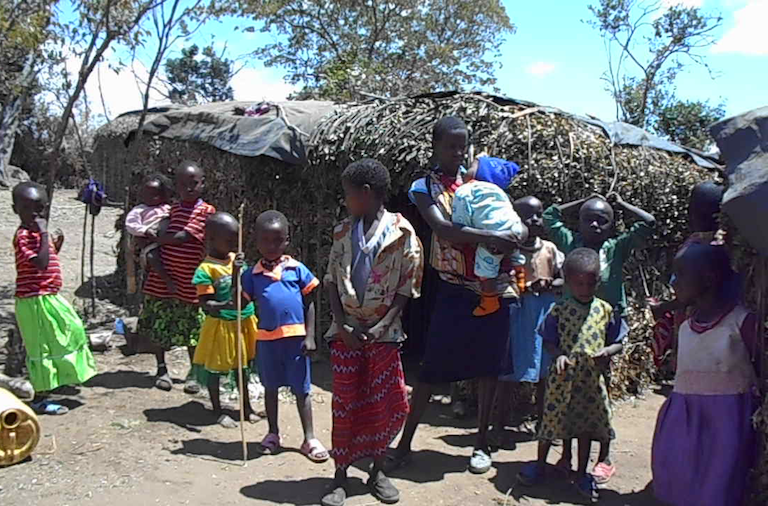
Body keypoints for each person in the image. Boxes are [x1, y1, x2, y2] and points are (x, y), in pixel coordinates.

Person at [386, 116, 524, 475]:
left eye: (462, 146)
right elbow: (444, 229)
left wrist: (513, 235)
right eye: (450, 146)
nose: (457, 153)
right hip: (452, 288)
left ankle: (481, 444)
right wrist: (494, 237)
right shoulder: (423, 187)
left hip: (490, 288)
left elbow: (507, 215)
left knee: (489, 369)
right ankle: (404, 444)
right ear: (434, 146)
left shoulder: (481, 181)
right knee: (431, 370)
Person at [320, 159, 423, 506]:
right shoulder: (341, 233)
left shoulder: (403, 234)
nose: (346, 201)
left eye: (348, 195)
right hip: (346, 333)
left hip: (385, 334)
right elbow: (332, 281)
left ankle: (378, 470)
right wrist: (342, 323)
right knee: (345, 403)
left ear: (365, 194)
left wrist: (382, 325)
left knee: (381, 403)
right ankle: (341, 473)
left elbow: (408, 286)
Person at [542, 191, 655, 483]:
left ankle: (604, 455)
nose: (594, 225)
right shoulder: (571, 243)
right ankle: (566, 455)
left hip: (603, 329)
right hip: (570, 329)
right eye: (588, 219)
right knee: (569, 395)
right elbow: (549, 216)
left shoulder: (616, 247)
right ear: (578, 222)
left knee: (600, 394)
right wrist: (582, 202)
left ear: (612, 225)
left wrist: (620, 204)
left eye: (602, 221)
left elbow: (649, 223)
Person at [652, 242, 758, 506]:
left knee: (717, 486)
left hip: (727, 424)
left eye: (681, 274)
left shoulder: (741, 322)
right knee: (680, 479)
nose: (674, 282)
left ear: (708, 279)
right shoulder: (687, 327)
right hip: (684, 418)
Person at [517, 248, 626, 502]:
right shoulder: (559, 309)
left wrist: (607, 351)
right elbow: (548, 340)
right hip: (562, 381)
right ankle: (540, 464)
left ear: (598, 282)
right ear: (567, 282)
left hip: (590, 383)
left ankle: (581, 473)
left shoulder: (605, 310)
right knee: (550, 424)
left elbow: (618, 340)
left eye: (590, 283)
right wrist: (560, 356)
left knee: (585, 428)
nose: (585, 289)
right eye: (579, 284)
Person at [240, 210, 329, 462]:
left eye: (277, 240)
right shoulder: (251, 275)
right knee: (270, 388)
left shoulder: (296, 269)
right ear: (256, 241)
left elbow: (310, 301)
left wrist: (311, 336)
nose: (271, 246)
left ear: (287, 241)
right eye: (265, 241)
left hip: (296, 341)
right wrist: (236, 275)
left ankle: (309, 437)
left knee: (302, 389)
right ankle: (272, 434)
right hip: (267, 342)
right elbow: (239, 304)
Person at [12, 182, 97, 415]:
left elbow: (44, 260)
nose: (36, 214)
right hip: (34, 300)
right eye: (28, 208)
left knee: (72, 330)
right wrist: (44, 233)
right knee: (42, 349)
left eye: (40, 208)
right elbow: (40, 263)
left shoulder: (37, 234)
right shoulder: (24, 235)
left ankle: (63, 377)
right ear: (15, 209)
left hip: (48, 296)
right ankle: (40, 400)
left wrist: (52, 246)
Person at [139, 161, 216, 393]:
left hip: (190, 280)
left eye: (193, 184)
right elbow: (160, 229)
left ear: (203, 184)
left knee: (192, 328)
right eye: (183, 184)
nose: (188, 189)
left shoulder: (206, 212)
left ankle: (194, 373)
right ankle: (162, 369)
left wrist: (156, 240)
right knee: (159, 325)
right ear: (176, 186)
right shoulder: (172, 209)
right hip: (162, 277)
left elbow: (184, 237)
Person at [494, 196, 563, 447]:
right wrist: (520, 286)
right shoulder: (508, 250)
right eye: (527, 216)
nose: (534, 220)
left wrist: (548, 284)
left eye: (538, 214)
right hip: (517, 317)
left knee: (546, 374)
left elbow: (564, 279)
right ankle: (499, 426)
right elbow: (500, 280)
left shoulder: (550, 249)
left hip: (544, 317)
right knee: (510, 374)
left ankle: (545, 425)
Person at [191, 212, 260, 428]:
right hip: (221, 325)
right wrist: (225, 306)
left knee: (243, 367)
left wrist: (241, 272)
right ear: (211, 239)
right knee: (217, 368)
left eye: (235, 239)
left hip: (244, 322)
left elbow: (246, 288)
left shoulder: (236, 261)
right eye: (229, 240)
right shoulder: (206, 269)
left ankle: (246, 407)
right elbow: (206, 304)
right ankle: (217, 410)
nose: (233, 245)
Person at [649, 181, 725, 374]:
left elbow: (692, 294)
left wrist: (664, 307)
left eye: (693, 210)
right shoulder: (727, 243)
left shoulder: (705, 246)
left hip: (698, 322)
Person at [452, 155, 526, 316]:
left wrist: (462, 233)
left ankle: (489, 301)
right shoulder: (500, 192)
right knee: (514, 252)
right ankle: (520, 275)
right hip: (515, 228)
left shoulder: (466, 190)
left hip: (495, 236)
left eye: (471, 166)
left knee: (486, 270)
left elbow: (460, 218)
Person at [125, 174, 174, 292]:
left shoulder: (167, 207)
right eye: (147, 194)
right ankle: (167, 279)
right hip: (150, 241)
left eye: (155, 195)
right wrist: (145, 231)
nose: (151, 198)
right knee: (153, 257)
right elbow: (131, 225)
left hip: (167, 239)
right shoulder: (139, 210)